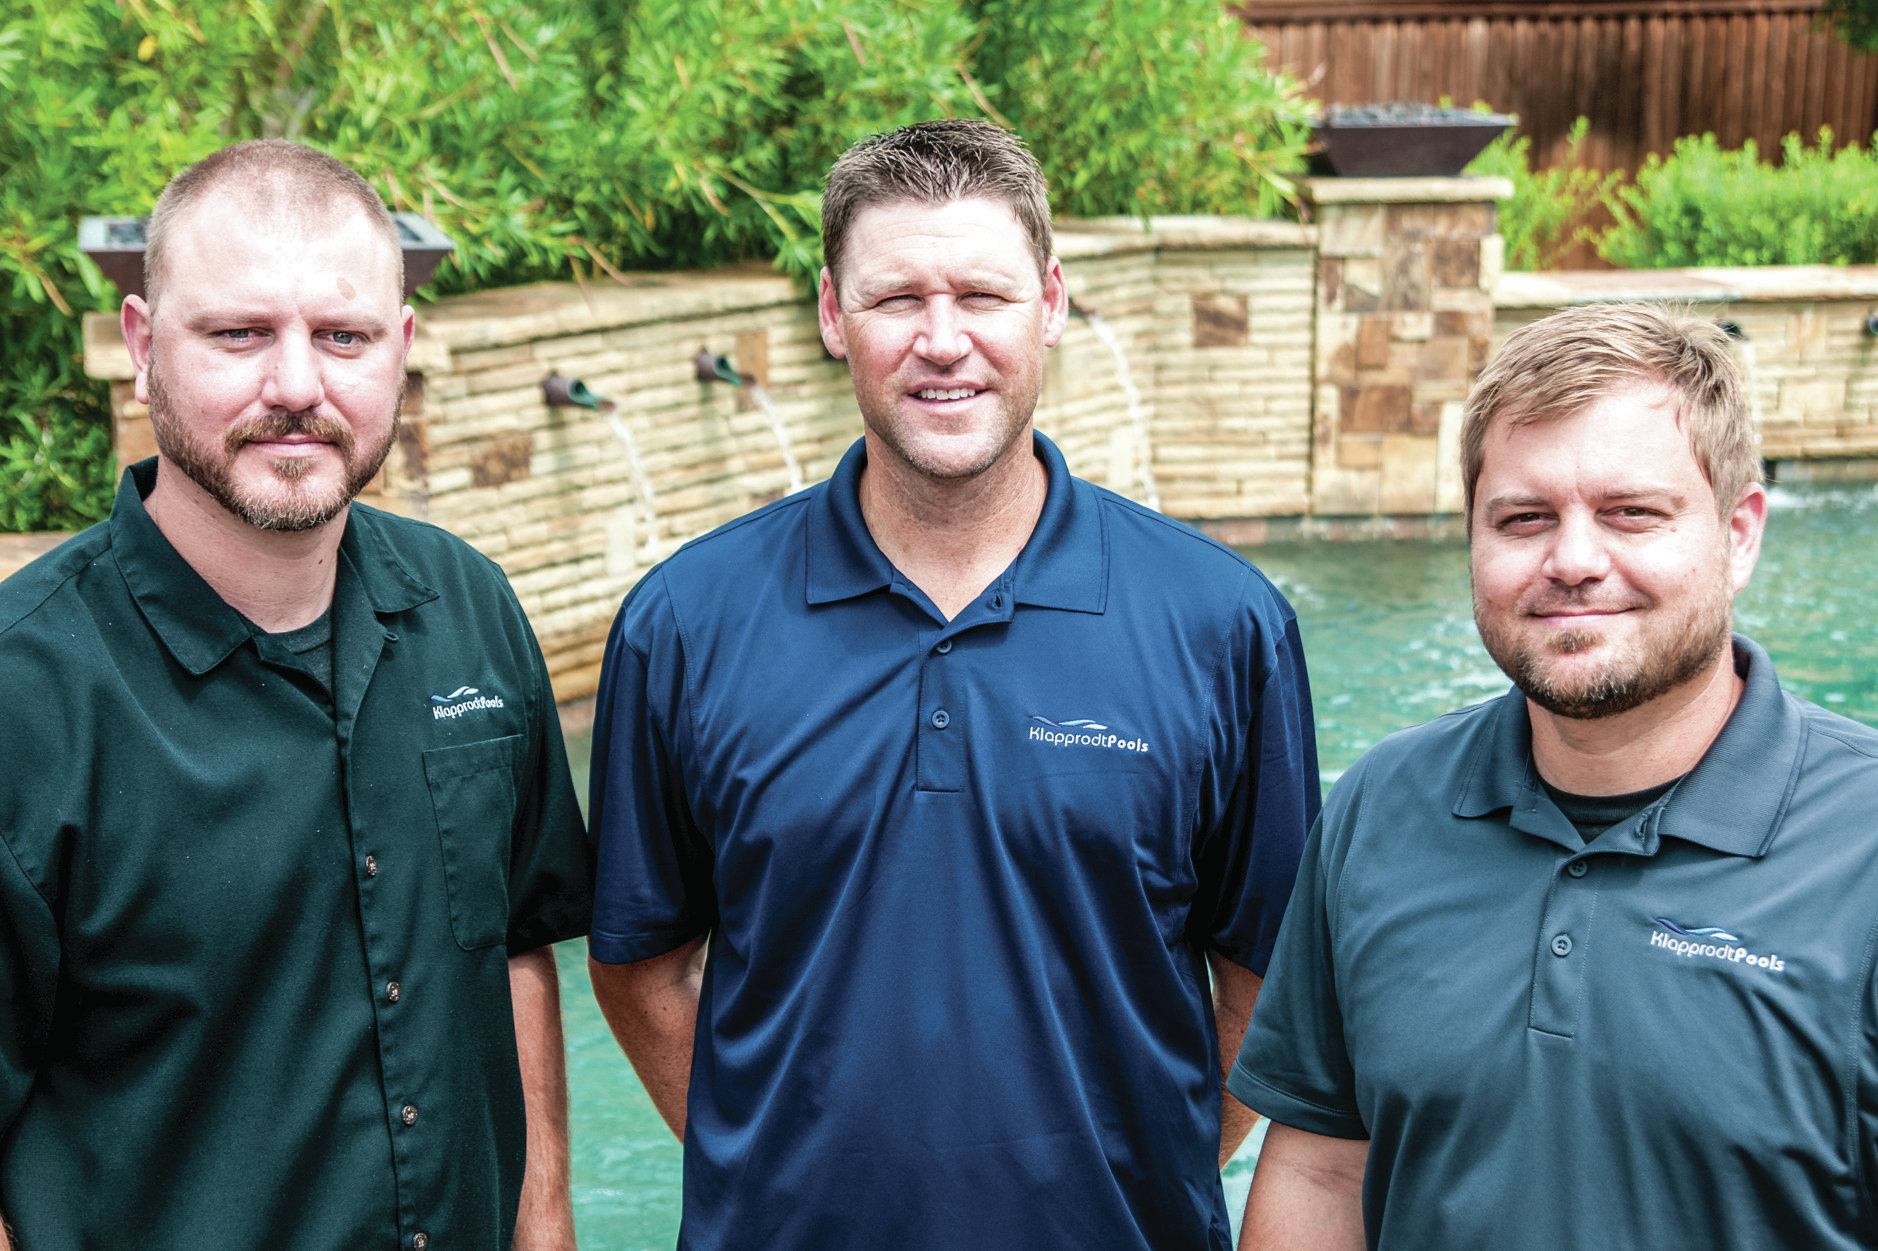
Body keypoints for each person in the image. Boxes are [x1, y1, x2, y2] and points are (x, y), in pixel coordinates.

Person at [585, 119, 1320, 1249]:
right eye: (895, 301)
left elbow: (1266, 985)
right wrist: (781, 1158)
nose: (943, 341)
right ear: (834, 315)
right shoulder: (685, 624)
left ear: (1052, 304)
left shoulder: (1222, 625)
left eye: (983, 294)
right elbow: (639, 968)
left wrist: (1133, 1153)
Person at [0, 141, 592, 1251]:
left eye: (344, 336)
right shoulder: (24, 696)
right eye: (237, 334)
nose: (297, 386)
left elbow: (516, 943)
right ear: (141, 348)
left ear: (401, 350)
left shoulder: (469, 607)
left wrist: (545, 1227)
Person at [1229, 302, 1878, 1249]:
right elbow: (1326, 1166)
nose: (1574, 561)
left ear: (1739, 534)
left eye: (1632, 514)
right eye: (1525, 518)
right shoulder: (1382, 806)